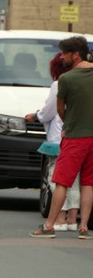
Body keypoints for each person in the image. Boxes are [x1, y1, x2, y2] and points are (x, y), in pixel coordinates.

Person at [31, 36, 93, 239]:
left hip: (75, 137)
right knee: (87, 183)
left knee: (61, 182)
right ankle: (83, 227)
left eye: (65, 54)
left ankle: (49, 224)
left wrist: (69, 124)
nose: (62, 57)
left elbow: (60, 110)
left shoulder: (66, 79)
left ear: (75, 54)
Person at [25, 53, 79, 231]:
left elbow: (49, 111)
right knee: (75, 181)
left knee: (57, 179)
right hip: (78, 137)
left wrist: (36, 115)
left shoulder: (58, 84)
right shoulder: (80, 82)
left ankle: (60, 219)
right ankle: (72, 219)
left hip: (58, 139)